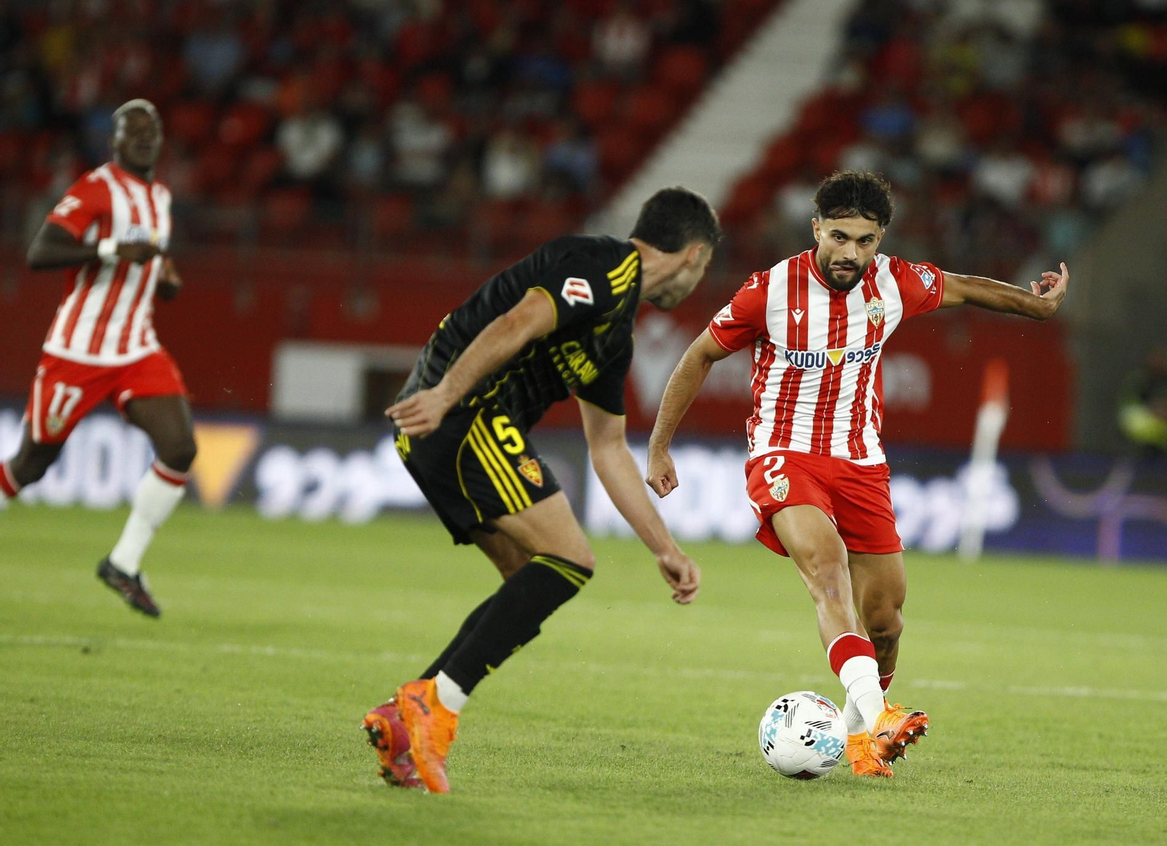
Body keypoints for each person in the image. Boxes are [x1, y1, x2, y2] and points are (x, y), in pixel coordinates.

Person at [645, 171, 1068, 778]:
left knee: (887, 621)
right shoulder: (770, 290)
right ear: (816, 228)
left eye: (865, 241)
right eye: (839, 237)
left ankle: (857, 735)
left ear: (880, 239)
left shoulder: (895, 281)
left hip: (862, 464)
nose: (850, 253)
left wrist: (1037, 305)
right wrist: (660, 445)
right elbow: (700, 355)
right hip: (783, 453)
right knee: (826, 570)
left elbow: (966, 288)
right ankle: (877, 716)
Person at [359, 186, 720, 794]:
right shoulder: (604, 264)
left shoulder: (615, 335)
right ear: (692, 256)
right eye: (703, 267)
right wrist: (448, 394)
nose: (697, 281)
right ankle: (433, 706)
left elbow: (606, 446)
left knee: (529, 578)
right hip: (461, 411)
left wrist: (665, 547)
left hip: (450, 425)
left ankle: (405, 718)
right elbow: (520, 320)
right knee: (570, 559)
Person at [2, 99, 194, 619]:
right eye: (133, 131)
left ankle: (123, 563)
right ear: (114, 140)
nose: (144, 139)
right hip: (78, 350)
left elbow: (148, 266)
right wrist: (110, 249)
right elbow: (39, 251)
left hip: (136, 347)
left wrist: (165, 281)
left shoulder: (159, 196)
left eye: (151, 130)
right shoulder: (95, 189)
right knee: (31, 464)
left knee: (179, 448)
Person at [1118, 346, 1167, 456]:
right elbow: (1152, 404)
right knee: (1165, 432)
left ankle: (1150, 456)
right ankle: (1149, 458)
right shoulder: (1145, 379)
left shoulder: (1155, 380)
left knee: (1165, 432)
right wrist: (1166, 413)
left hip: (1137, 416)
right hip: (1134, 417)